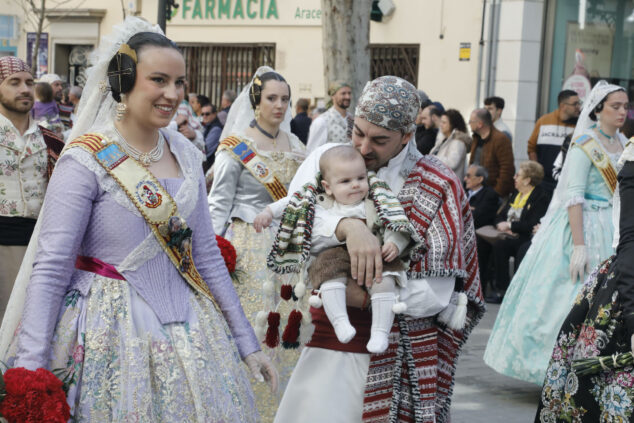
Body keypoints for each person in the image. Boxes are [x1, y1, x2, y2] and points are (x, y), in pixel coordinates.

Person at [0, 19, 275, 420]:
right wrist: (30, 369)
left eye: (178, 83)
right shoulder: (85, 158)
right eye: (158, 79)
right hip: (106, 334)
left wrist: (246, 344)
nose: (172, 94)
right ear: (123, 82)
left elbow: (206, 256)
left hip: (193, 332)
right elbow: (52, 266)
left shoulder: (186, 153)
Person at [273, 76, 484, 423]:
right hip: (329, 346)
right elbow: (292, 230)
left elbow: (437, 295)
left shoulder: (437, 183)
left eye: (380, 139)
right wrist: (348, 227)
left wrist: (366, 296)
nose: (364, 147)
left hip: (397, 357)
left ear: (408, 135)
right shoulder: (329, 158)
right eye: (358, 132)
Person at [484, 81, 629, 385]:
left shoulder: (624, 141)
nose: (622, 111)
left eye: (625, 106)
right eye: (615, 106)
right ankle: (558, 372)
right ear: (598, 109)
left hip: (616, 227)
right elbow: (573, 196)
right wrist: (579, 245)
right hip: (584, 227)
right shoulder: (585, 144)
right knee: (569, 301)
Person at [207, 66, 306, 422]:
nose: (279, 106)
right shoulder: (236, 145)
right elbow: (218, 203)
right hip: (250, 245)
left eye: (284, 99)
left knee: (290, 326)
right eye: (271, 99)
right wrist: (214, 251)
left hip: (290, 251)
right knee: (255, 325)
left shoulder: (295, 143)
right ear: (256, 101)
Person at [257, 145, 416, 354]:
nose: (356, 186)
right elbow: (293, 202)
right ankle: (340, 322)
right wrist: (269, 212)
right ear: (328, 186)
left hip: (374, 250)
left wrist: (394, 243)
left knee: (384, 280)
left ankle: (380, 332)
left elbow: (396, 221)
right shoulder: (320, 198)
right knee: (327, 275)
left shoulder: (378, 197)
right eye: (346, 181)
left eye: (360, 178)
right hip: (335, 253)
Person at [535, 143, 634, 422]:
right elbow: (630, 241)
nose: (621, 111)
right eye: (614, 105)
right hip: (626, 281)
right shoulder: (597, 149)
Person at [0, 56, 63, 321]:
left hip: (41, 249)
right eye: (14, 82)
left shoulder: (51, 139)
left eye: (29, 82)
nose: (24, 89)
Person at [487, 161, 551, 303]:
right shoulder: (516, 193)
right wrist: (500, 225)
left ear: (527, 180)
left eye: (518, 175)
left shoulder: (540, 197)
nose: (514, 177)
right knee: (498, 245)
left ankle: (516, 291)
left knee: (520, 248)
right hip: (507, 235)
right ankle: (501, 290)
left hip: (524, 236)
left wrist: (510, 225)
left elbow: (532, 224)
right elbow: (500, 214)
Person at [527, 89, 580, 192]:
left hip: (567, 182)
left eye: (579, 103)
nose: (578, 107)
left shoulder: (579, 125)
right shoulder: (543, 121)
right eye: (575, 104)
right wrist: (537, 172)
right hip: (544, 182)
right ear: (563, 106)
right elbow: (531, 148)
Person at [465, 164, 499, 294]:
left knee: (478, 245)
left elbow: (480, 217)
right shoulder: (462, 191)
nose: (465, 178)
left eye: (469, 176)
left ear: (479, 179)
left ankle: (476, 289)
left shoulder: (490, 195)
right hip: (462, 231)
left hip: (479, 233)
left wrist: (466, 211)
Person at [468, 108, 515, 198]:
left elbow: (507, 170)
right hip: (476, 191)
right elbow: (472, 163)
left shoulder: (500, 139)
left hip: (492, 193)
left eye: (471, 121)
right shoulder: (476, 138)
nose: (469, 124)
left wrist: (496, 193)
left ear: (480, 124)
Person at [305, 81, 353, 153]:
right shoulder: (321, 121)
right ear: (333, 96)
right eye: (343, 93)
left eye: (349, 93)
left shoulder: (352, 119)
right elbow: (313, 152)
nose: (348, 97)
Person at [430, 108, 471, 179]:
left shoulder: (458, 142)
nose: (441, 125)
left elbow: (452, 163)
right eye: (441, 122)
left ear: (452, 124)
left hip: (450, 184)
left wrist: (433, 158)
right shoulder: (443, 138)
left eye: (444, 123)